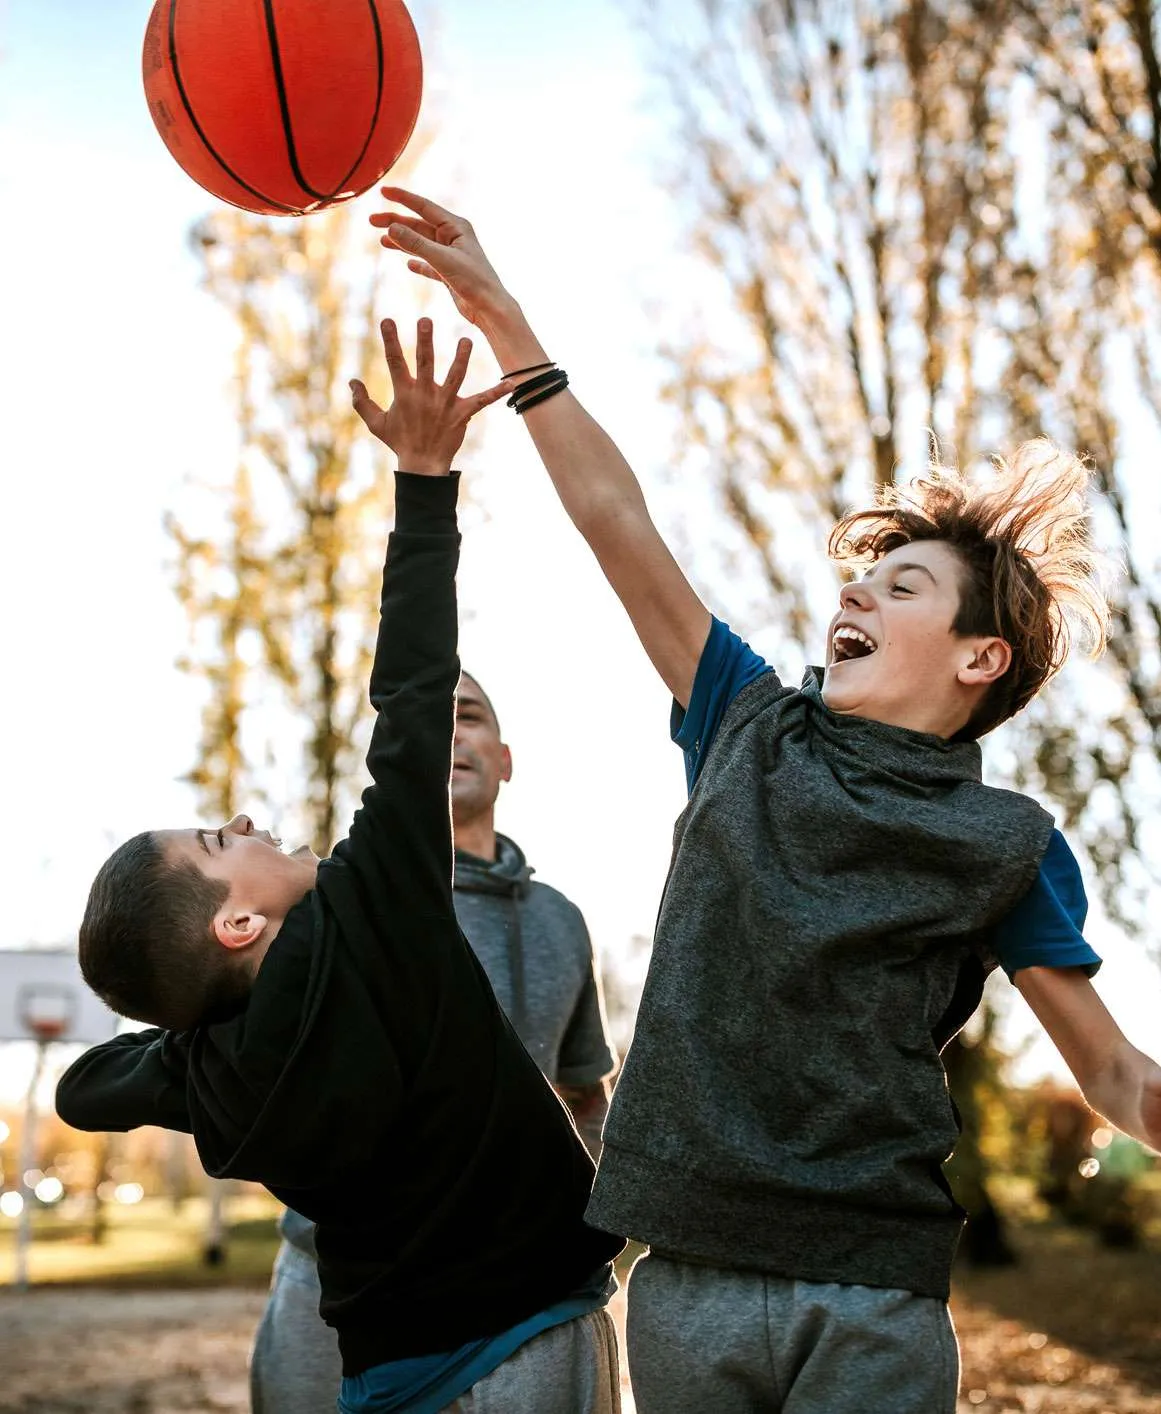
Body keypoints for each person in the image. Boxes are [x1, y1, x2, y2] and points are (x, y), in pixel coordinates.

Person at [368, 189, 1161, 1413]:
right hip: (686, 1274)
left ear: (978, 657)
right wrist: (510, 325)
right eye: (863, 579)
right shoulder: (746, 721)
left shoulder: (1009, 846)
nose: (858, 598)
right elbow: (617, 521)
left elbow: (1109, 1071)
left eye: (902, 586)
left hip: (874, 1293)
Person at [55, 318, 624, 1414]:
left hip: (386, 1373)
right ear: (236, 925)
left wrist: (190, 1040)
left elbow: (84, 1090)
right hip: (528, 1336)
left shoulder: (211, 1077)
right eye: (223, 842)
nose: (248, 818)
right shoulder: (377, 909)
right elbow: (411, 688)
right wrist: (424, 479)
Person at [252, 668, 617, 1413]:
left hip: (517, 1295)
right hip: (333, 1284)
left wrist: (590, 1217)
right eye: (432, 719)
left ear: (504, 759)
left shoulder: (560, 919)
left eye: (471, 716)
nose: (450, 731)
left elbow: (583, 1091)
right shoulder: (329, 906)